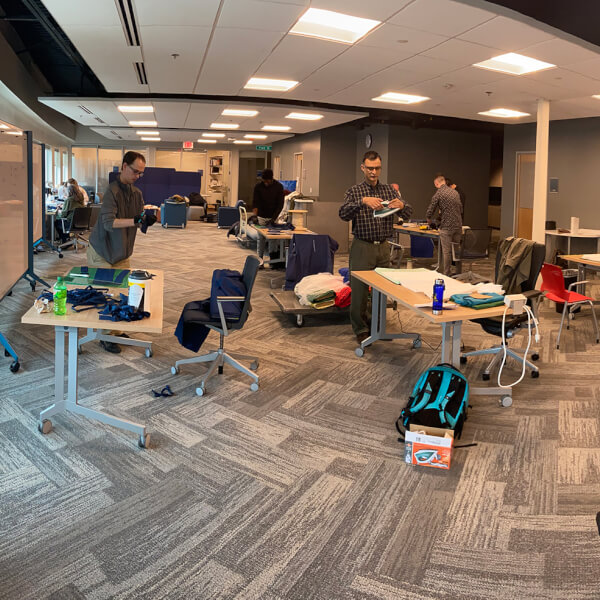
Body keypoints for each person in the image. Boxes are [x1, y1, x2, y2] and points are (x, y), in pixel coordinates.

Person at [339, 151, 412, 344]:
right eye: (370, 168)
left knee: (382, 289)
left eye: (377, 168)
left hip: (384, 247)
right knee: (359, 290)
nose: (373, 172)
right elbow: (343, 214)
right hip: (362, 246)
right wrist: (362, 202)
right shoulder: (355, 191)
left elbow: (408, 213)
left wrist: (402, 205)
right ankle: (360, 328)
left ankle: (377, 326)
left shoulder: (389, 190)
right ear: (363, 168)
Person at [88, 151, 157, 353]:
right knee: (105, 294)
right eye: (135, 171)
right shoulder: (112, 191)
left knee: (121, 292)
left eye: (141, 173)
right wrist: (136, 220)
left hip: (122, 251)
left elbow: (139, 218)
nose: (138, 176)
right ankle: (104, 336)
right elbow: (109, 223)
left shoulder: (137, 193)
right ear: (124, 166)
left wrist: (146, 220)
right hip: (102, 250)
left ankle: (116, 331)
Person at [426, 173, 463, 276]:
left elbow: (431, 208)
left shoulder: (439, 194)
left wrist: (428, 219)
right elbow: (460, 208)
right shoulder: (455, 193)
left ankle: (447, 273)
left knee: (447, 252)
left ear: (437, 183)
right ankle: (458, 272)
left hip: (447, 226)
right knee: (456, 250)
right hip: (458, 225)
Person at [252, 168, 285, 266]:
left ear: (271, 179)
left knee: (273, 239)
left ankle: (272, 261)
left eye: (267, 181)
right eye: (264, 181)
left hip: (273, 216)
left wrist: (273, 219)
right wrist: (255, 216)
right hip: (261, 216)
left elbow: (280, 205)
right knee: (261, 239)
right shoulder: (258, 187)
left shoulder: (278, 187)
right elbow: (255, 202)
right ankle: (259, 261)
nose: (266, 183)